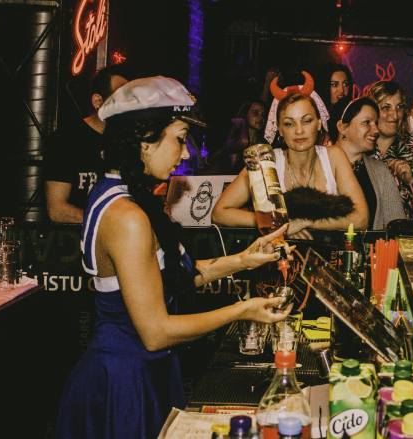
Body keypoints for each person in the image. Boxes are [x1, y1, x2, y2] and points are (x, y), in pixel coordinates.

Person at [54, 77, 293, 439]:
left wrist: (244, 260)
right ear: (144, 140)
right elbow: (156, 333)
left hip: (144, 371)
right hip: (125, 382)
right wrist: (242, 310)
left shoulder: (122, 193)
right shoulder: (127, 217)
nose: (185, 154)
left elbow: (168, 278)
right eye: (180, 139)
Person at [213, 94, 369, 234]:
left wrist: (305, 223)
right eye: (289, 123)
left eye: (306, 121)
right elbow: (219, 213)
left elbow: (361, 219)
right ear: (280, 130)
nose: (299, 130)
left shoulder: (334, 156)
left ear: (319, 123)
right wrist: (277, 223)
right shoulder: (268, 160)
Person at [44, 64, 131, 223]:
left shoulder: (128, 141)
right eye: (119, 96)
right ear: (98, 101)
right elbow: (57, 210)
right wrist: (109, 223)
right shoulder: (65, 139)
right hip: (78, 235)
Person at [331, 97, 407, 230]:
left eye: (376, 123)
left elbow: (396, 226)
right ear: (342, 127)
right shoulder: (319, 164)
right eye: (367, 122)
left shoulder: (380, 171)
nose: (376, 130)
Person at [368, 81, 413, 220]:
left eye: (399, 107)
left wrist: (411, 182)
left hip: (405, 231)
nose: (395, 115)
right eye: (386, 107)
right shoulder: (361, 148)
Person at [202, 101, 267, 174]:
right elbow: (244, 142)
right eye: (255, 113)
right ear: (245, 115)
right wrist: (242, 123)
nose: (261, 117)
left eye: (263, 115)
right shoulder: (233, 141)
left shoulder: (264, 142)